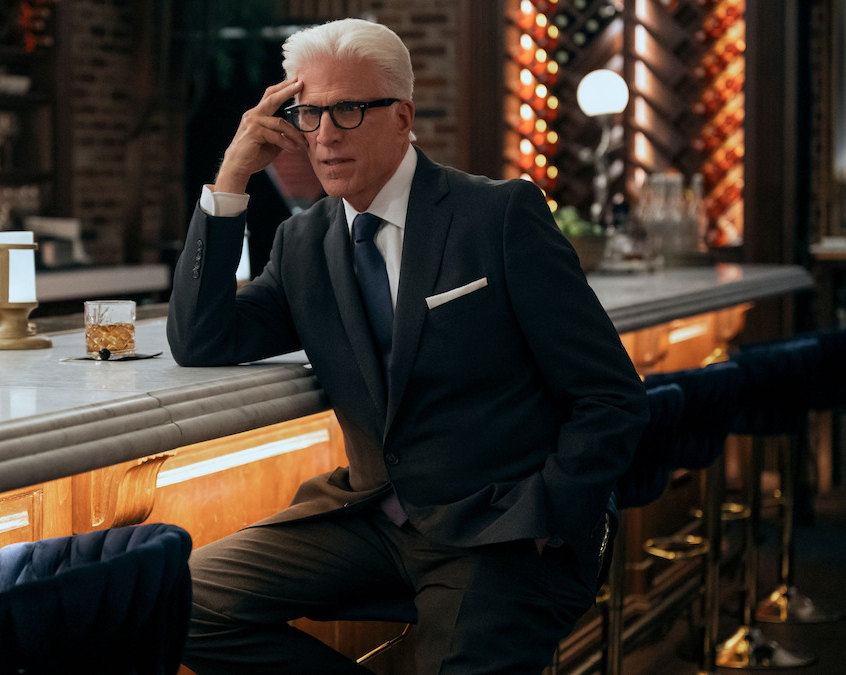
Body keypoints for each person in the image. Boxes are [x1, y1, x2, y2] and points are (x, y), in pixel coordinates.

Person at [167, 17, 649, 674]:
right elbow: (202, 337)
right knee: (175, 602)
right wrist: (229, 179)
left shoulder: (499, 215)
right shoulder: (303, 244)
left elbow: (610, 395)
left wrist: (548, 514)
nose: (326, 135)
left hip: (499, 531)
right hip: (367, 518)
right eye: (310, 114)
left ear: (402, 116)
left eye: (349, 110)